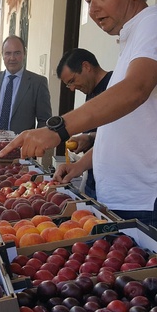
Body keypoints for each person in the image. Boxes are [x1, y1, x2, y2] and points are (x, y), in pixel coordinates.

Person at [0, 0, 157, 247]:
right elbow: (126, 124)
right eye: (88, 1)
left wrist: (57, 129)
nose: (93, 9)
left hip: (149, 205)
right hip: (123, 201)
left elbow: (135, 90)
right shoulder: (133, 39)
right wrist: (82, 165)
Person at [57, 48, 113, 199]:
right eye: (69, 85)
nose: (73, 88)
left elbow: (117, 137)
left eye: (72, 81)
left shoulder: (114, 88)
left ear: (86, 67)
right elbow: (103, 134)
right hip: (94, 177)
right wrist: (87, 138)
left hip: (115, 185)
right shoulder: (91, 91)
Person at [0, 35, 52, 133]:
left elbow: (44, 120)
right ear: (2, 55)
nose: (12, 58)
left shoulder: (38, 83)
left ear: (24, 54)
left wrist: (34, 141)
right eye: (8, 53)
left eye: (17, 53)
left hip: (20, 145)